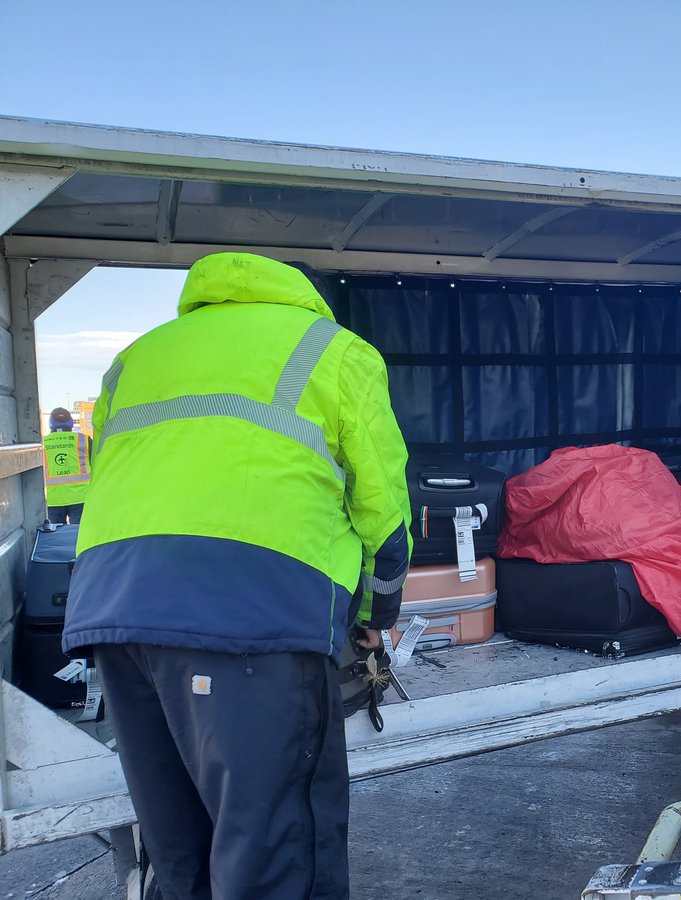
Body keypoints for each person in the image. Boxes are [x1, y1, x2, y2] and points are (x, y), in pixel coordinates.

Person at [62, 253, 412, 899]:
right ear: (304, 293)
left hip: (115, 603)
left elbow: (112, 467)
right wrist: (376, 615)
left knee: (178, 841)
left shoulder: (141, 353)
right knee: (272, 842)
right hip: (253, 609)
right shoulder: (335, 349)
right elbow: (381, 506)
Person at [42, 406, 89, 524]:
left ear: (51, 422)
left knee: (56, 536)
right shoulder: (84, 439)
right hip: (81, 497)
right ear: (70, 422)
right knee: (79, 536)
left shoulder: (42, 443)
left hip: (53, 499)